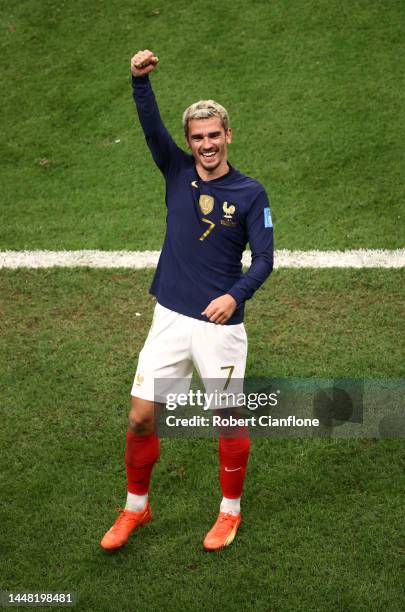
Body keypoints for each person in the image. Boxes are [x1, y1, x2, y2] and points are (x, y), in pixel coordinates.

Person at [100, 49, 274, 552]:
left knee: (227, 417)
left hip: (219, 326)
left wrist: (234, 295)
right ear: (190, 142)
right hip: (169, 316)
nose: (205, 144)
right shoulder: (177, 171)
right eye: (197, 137)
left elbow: (263, 259)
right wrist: (138, 81)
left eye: (213, 135)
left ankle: (229, 512)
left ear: (228, 136)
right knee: (140, 417)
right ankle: (136, 508)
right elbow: (151, 126)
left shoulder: (251, 193)